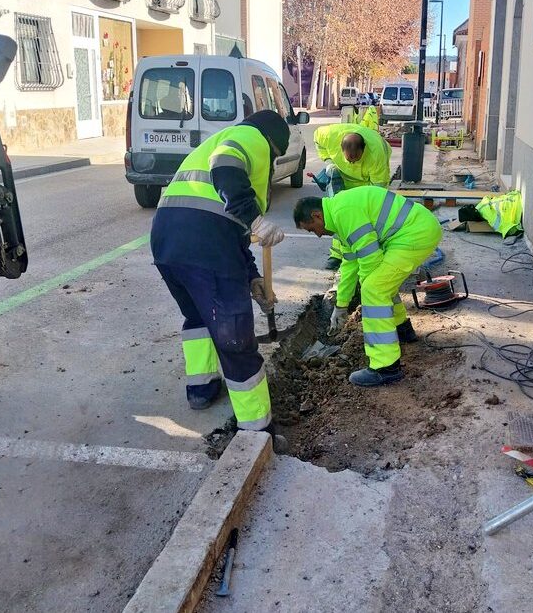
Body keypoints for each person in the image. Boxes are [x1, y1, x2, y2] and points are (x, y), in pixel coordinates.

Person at [151, 110, 289, 434]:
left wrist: (252, 277)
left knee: (199, 317)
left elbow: (231, 230)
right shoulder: (251, 138)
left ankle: (201, 389)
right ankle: (257, 429)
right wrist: (256, 219)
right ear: (273, 144)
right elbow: (225, 168)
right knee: (235, 339)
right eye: (276, 159)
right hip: (205, 246)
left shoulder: (216, 141)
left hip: (167, 243)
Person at [293, 186, 442, 387]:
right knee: (380, 284)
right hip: (414, 230)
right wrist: (341, 305)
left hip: (414, 234)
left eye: (312, 229)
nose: (318, 235)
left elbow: (370, 259)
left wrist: (367, 288)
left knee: (374, 288)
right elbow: (350, 264)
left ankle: (385, 366)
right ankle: (401, 329)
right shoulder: (339, 215)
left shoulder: (343, 212)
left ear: (317, 215)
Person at [312, 123, 392, 270]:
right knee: (338, 215)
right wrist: (328, 162)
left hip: (367, 182)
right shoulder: (329, 136)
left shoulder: (376, 155)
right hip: (342, 177)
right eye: (349, 159)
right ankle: (337, 255)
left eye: (356, 158)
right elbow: (316, 139)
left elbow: (378, 192)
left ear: (364, 149)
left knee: (367, 214)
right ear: (340, 149)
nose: (352, 161)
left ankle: (372, 249)